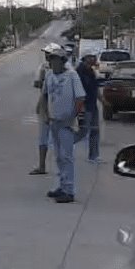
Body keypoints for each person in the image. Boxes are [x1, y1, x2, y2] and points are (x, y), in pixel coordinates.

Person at [42, 45, 85, 203]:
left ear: (62, 61)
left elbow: (80, 98)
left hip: (66, 122)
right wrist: (46, 114)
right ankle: (61, 185)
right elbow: (45, 95)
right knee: (59, 156)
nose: (52, 63)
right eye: (50, 59)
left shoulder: (72, 76)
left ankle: (69, 190)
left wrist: (73, 117)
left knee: (67, 156)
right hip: (54, 121)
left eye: (54, 59)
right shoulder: (49, 76)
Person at [30, 43, 67, 175]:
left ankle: (62, 167)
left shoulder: (67, 69)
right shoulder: (44, 67)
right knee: (43, 138)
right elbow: (37, 83)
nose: (47, 56)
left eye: (50, 54)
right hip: (45, 105)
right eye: (46, 54)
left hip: (60, 107)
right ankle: (42, 166)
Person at [75, 52, 102, 164]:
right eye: (92, 57)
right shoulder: (79, 72)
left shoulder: (91, 71)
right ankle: (64, 146)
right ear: (86, 58)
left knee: (95, 130)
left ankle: (93, 156)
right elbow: (77, 91)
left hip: (92, 105)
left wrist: (102, 100)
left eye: (94, 57)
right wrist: (80, 107)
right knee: (83, 131)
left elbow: (95, 88)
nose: (94, 59)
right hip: (84, 105)